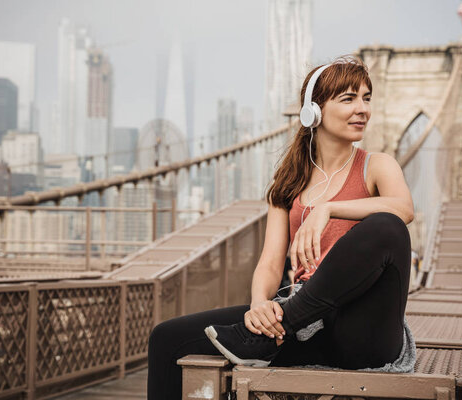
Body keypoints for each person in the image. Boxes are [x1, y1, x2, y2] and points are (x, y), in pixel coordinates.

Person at [147, 55, 415, 399]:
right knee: (166, 338)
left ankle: (266, 336)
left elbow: (403, 210)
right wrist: (260, 305)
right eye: (348, 99)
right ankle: (267, 334)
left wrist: (327, 209)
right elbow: (272, 263)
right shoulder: (289, 184)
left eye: (366, 98)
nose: (362, 108)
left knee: (386, 226)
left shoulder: (377, 166)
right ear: (313, 112)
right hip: (307, 328)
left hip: (362, 329)